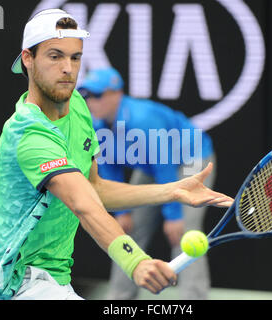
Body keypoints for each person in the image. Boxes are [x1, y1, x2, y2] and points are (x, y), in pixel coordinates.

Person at [0, 9, 233, 300]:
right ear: (28, 59)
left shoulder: (80, 109)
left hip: (53, 279)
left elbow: (94, 187)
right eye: (55, 56)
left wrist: (173, 191)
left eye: (75, 57)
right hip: (15, 281)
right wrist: (135, 261)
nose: (68, 68)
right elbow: (83, 203)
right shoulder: (30, 132)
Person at [78, 67, 218, 300]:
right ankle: (119, 298)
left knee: (186, 235)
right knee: (128, 230)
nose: (91, 102)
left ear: (116, 94)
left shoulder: (143, 120)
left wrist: (174, 217)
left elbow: (165, 168)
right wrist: (121, 212)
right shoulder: (94, 123)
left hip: (191, 158)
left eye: (98, 95)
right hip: (153, 164)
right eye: (87, 96)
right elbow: (109, 166)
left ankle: (194, 299)